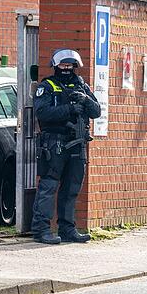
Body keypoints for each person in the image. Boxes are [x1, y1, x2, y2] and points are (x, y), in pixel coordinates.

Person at [31, 49, 101, 244]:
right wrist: (69, 109)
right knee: (49, 186)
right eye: (63, 65)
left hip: (77, 144)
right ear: (56, 66)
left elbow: (96, 112)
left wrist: (85, 100)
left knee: (71, 188)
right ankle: (41, 230)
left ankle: (68, 229)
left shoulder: (82, 86)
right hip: (54, 142)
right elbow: (42, 113)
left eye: (70, 66)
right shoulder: (47, 86)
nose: (66, 69)